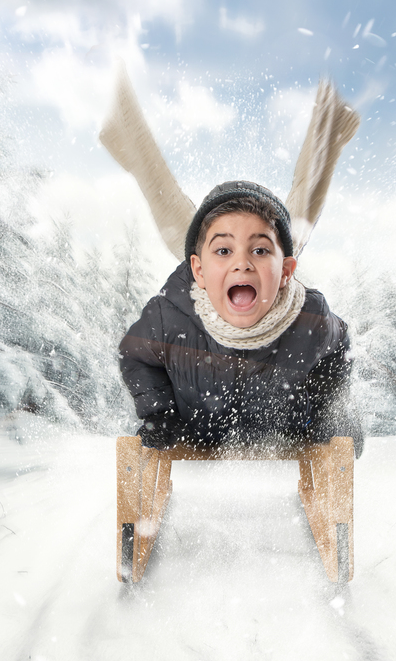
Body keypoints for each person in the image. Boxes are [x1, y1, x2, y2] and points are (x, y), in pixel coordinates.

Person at [119, 180, 363, 456]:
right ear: (199, 270)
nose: (242, 263)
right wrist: (160, 413)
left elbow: (339, 346)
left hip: (284, 432)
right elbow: (135, 354)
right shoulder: (169, 315)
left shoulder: (309, 316)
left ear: (285, 271)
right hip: (199, 432)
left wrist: (328, 410)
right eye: (224, 251)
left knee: (341, 430)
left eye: (259, 250)